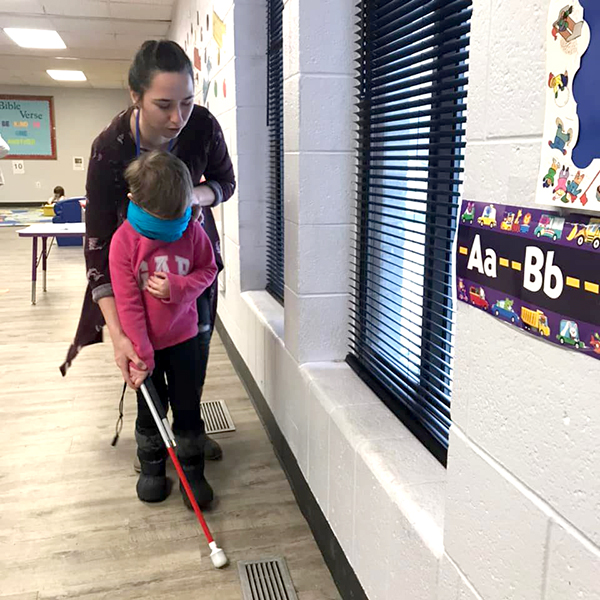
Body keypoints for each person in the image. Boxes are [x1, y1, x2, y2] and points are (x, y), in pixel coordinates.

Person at [60, 40, 236, 467]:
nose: (178, 118)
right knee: (145, 365)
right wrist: (119, 335)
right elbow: (98, 245)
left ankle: (188, 431)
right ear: (135, 96)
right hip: (134, 277)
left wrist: (189, 196)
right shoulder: (111, 147)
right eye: (164, 105)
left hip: (191, 269)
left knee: (191, 360)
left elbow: (225, 184)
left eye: (188, 103)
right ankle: (154, 445)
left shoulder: (203, 128)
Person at [110, 150, 218, 506]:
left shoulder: (192, 229)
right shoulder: (124, 242)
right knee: (151, 410)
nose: (176, 224)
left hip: (185, 339)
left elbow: (208, 270)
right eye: (165, 218)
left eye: (180, 214)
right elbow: (127, 303)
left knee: (188, 406)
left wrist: (179, 288)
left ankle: (192, 471)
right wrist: (141, 354)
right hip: (146, 348)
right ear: (135, 202)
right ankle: (152, 468)